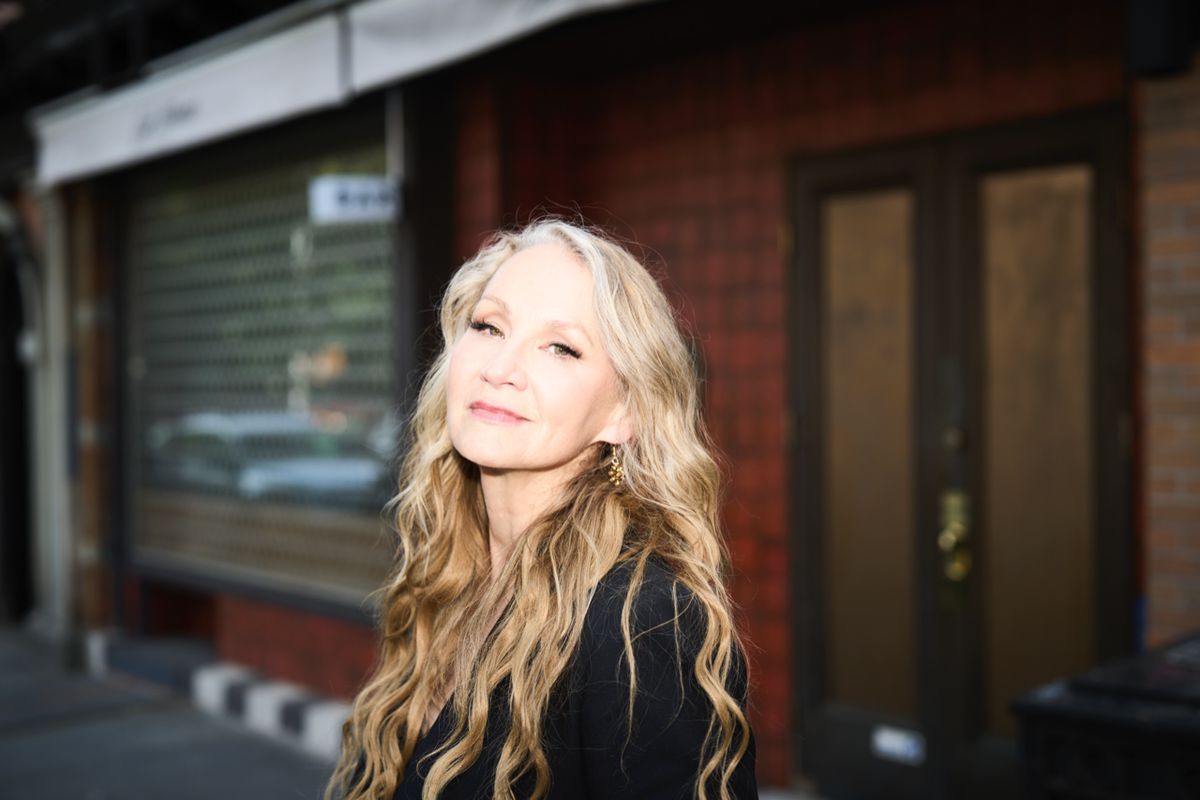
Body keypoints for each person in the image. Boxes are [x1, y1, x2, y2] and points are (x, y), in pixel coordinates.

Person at [326, 219, 757, 800]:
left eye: (561, 347)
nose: (499, 368)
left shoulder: (642, 621)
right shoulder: (448, 578)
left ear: (625, 412)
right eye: (489, 326)